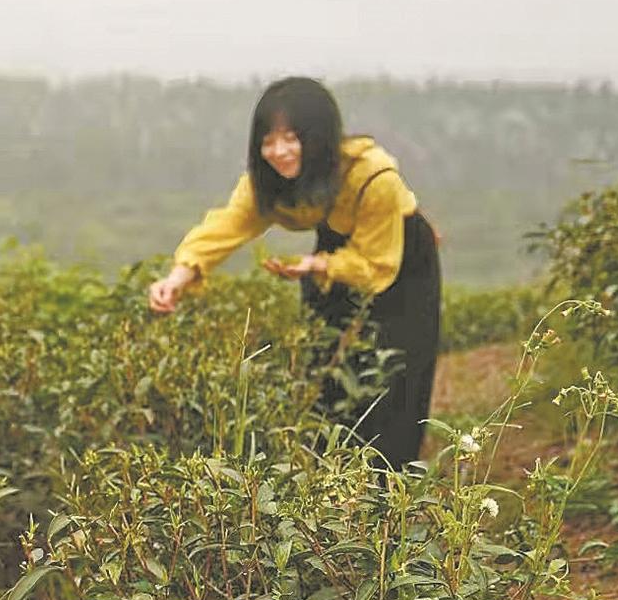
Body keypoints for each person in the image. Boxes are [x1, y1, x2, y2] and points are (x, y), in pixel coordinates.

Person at [146, 76, 442, 469]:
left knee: (395, 373)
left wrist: (317, 264)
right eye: (267, 140)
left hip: (400, 259)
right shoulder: (268, 181)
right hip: (336, 250)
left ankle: (388, 491)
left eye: (290, 138)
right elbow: (227, 225)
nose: (277, 152)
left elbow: (376, 267)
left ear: (318, 136)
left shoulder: (372, 175)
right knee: (323, 365)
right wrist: (176, 278)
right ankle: (328, 480)